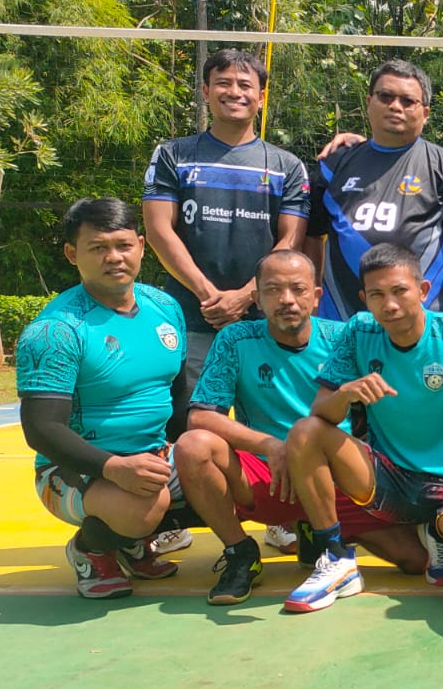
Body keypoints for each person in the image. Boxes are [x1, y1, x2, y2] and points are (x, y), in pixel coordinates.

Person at [282, 243, 443, 613]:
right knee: (305, 432)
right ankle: (335, 558)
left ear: (423, 291)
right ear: (364, 298)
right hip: (388, 478)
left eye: (400, 291)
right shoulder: (358, 332)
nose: (390, 305)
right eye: (377, 295)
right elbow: (321, 412)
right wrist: (347, 393)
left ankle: (439, 528)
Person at [171, 250, 426, 605]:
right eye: (274, 290)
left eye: (298, 289)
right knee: (193, 445)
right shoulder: (235, 339)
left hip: (335, 475)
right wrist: (273, 447)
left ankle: (315, 531)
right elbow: (201, 417)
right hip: (269, 473)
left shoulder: (346, 336)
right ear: (257, 298)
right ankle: (240, 552)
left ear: (317, 296)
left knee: (418, 561)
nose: (287, 300)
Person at [142, 49, 310, 557]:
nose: (234, 92)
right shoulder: (173, 154)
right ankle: (180, 514)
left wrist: (244, 297)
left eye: (245, 85)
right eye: (223, 83)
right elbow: (158, 229)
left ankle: (277, 513)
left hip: (263, 314)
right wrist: (205, 292)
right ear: (205, 90)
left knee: (268, 414)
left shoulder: (286, 165)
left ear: (260, 97)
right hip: (192, 313)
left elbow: (291, 239)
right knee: (191, 417)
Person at [16, 199, 190, 599]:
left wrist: (184, 449)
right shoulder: (55, 330)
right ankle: (92, 549)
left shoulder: (165, 307)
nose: (114, 257)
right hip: (75, 469)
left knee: (220, 464)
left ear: (142, 247)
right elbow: (42, 429)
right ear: (72, 254)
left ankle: (132, 541)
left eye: (123, 245)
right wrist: (114, 468)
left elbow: (177, 391)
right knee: (142, 506)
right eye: (98, 248)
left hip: (151, 456)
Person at [306, 59, 443, 322]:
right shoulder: (335, 163)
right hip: (341, 319)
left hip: (424, 320)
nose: (395, 106)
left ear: (425, 113)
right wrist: (313, 298)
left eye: (407, 101)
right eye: (385, 96)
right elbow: (312, 235)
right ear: (369, 102)